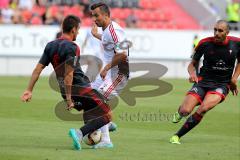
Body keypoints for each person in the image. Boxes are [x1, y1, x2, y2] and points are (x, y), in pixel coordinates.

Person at [20, 15, 112, 150]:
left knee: (90, 109)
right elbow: (69, 75)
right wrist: (69, 99)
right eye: (78, 29)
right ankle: (79, 133)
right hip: (80, 89)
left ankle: (101, 128)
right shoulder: (72, 47)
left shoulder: (50, 46)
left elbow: (37, 69)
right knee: (108, 114)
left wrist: (29, 90)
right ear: (73, 29)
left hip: (64, 91)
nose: (79, 32)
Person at [170, 20, 240, 144]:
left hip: (221, 85)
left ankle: (177, 136)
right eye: (215, 30)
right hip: (203, 82)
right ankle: (180, 112)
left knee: (203, 108)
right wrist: (192, 74)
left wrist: (234, 79)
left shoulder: (236, 44)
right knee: (185, 111)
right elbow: (192, 65)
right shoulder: (205, 43)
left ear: (227, 32)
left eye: (220, 31)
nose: (216, 33)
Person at [90, 2, 129, 148]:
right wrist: (96, 35)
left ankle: (106, 140)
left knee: (100, 98)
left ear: (106, 15)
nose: (94, 19)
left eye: (97, 15)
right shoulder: (107, 30)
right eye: (93, 16)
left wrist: (106, 67)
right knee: (91, 94)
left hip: (118, 73)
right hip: (109, 73)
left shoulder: (114, 30)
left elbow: (122, 54)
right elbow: (108, 41)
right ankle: (108, 123)